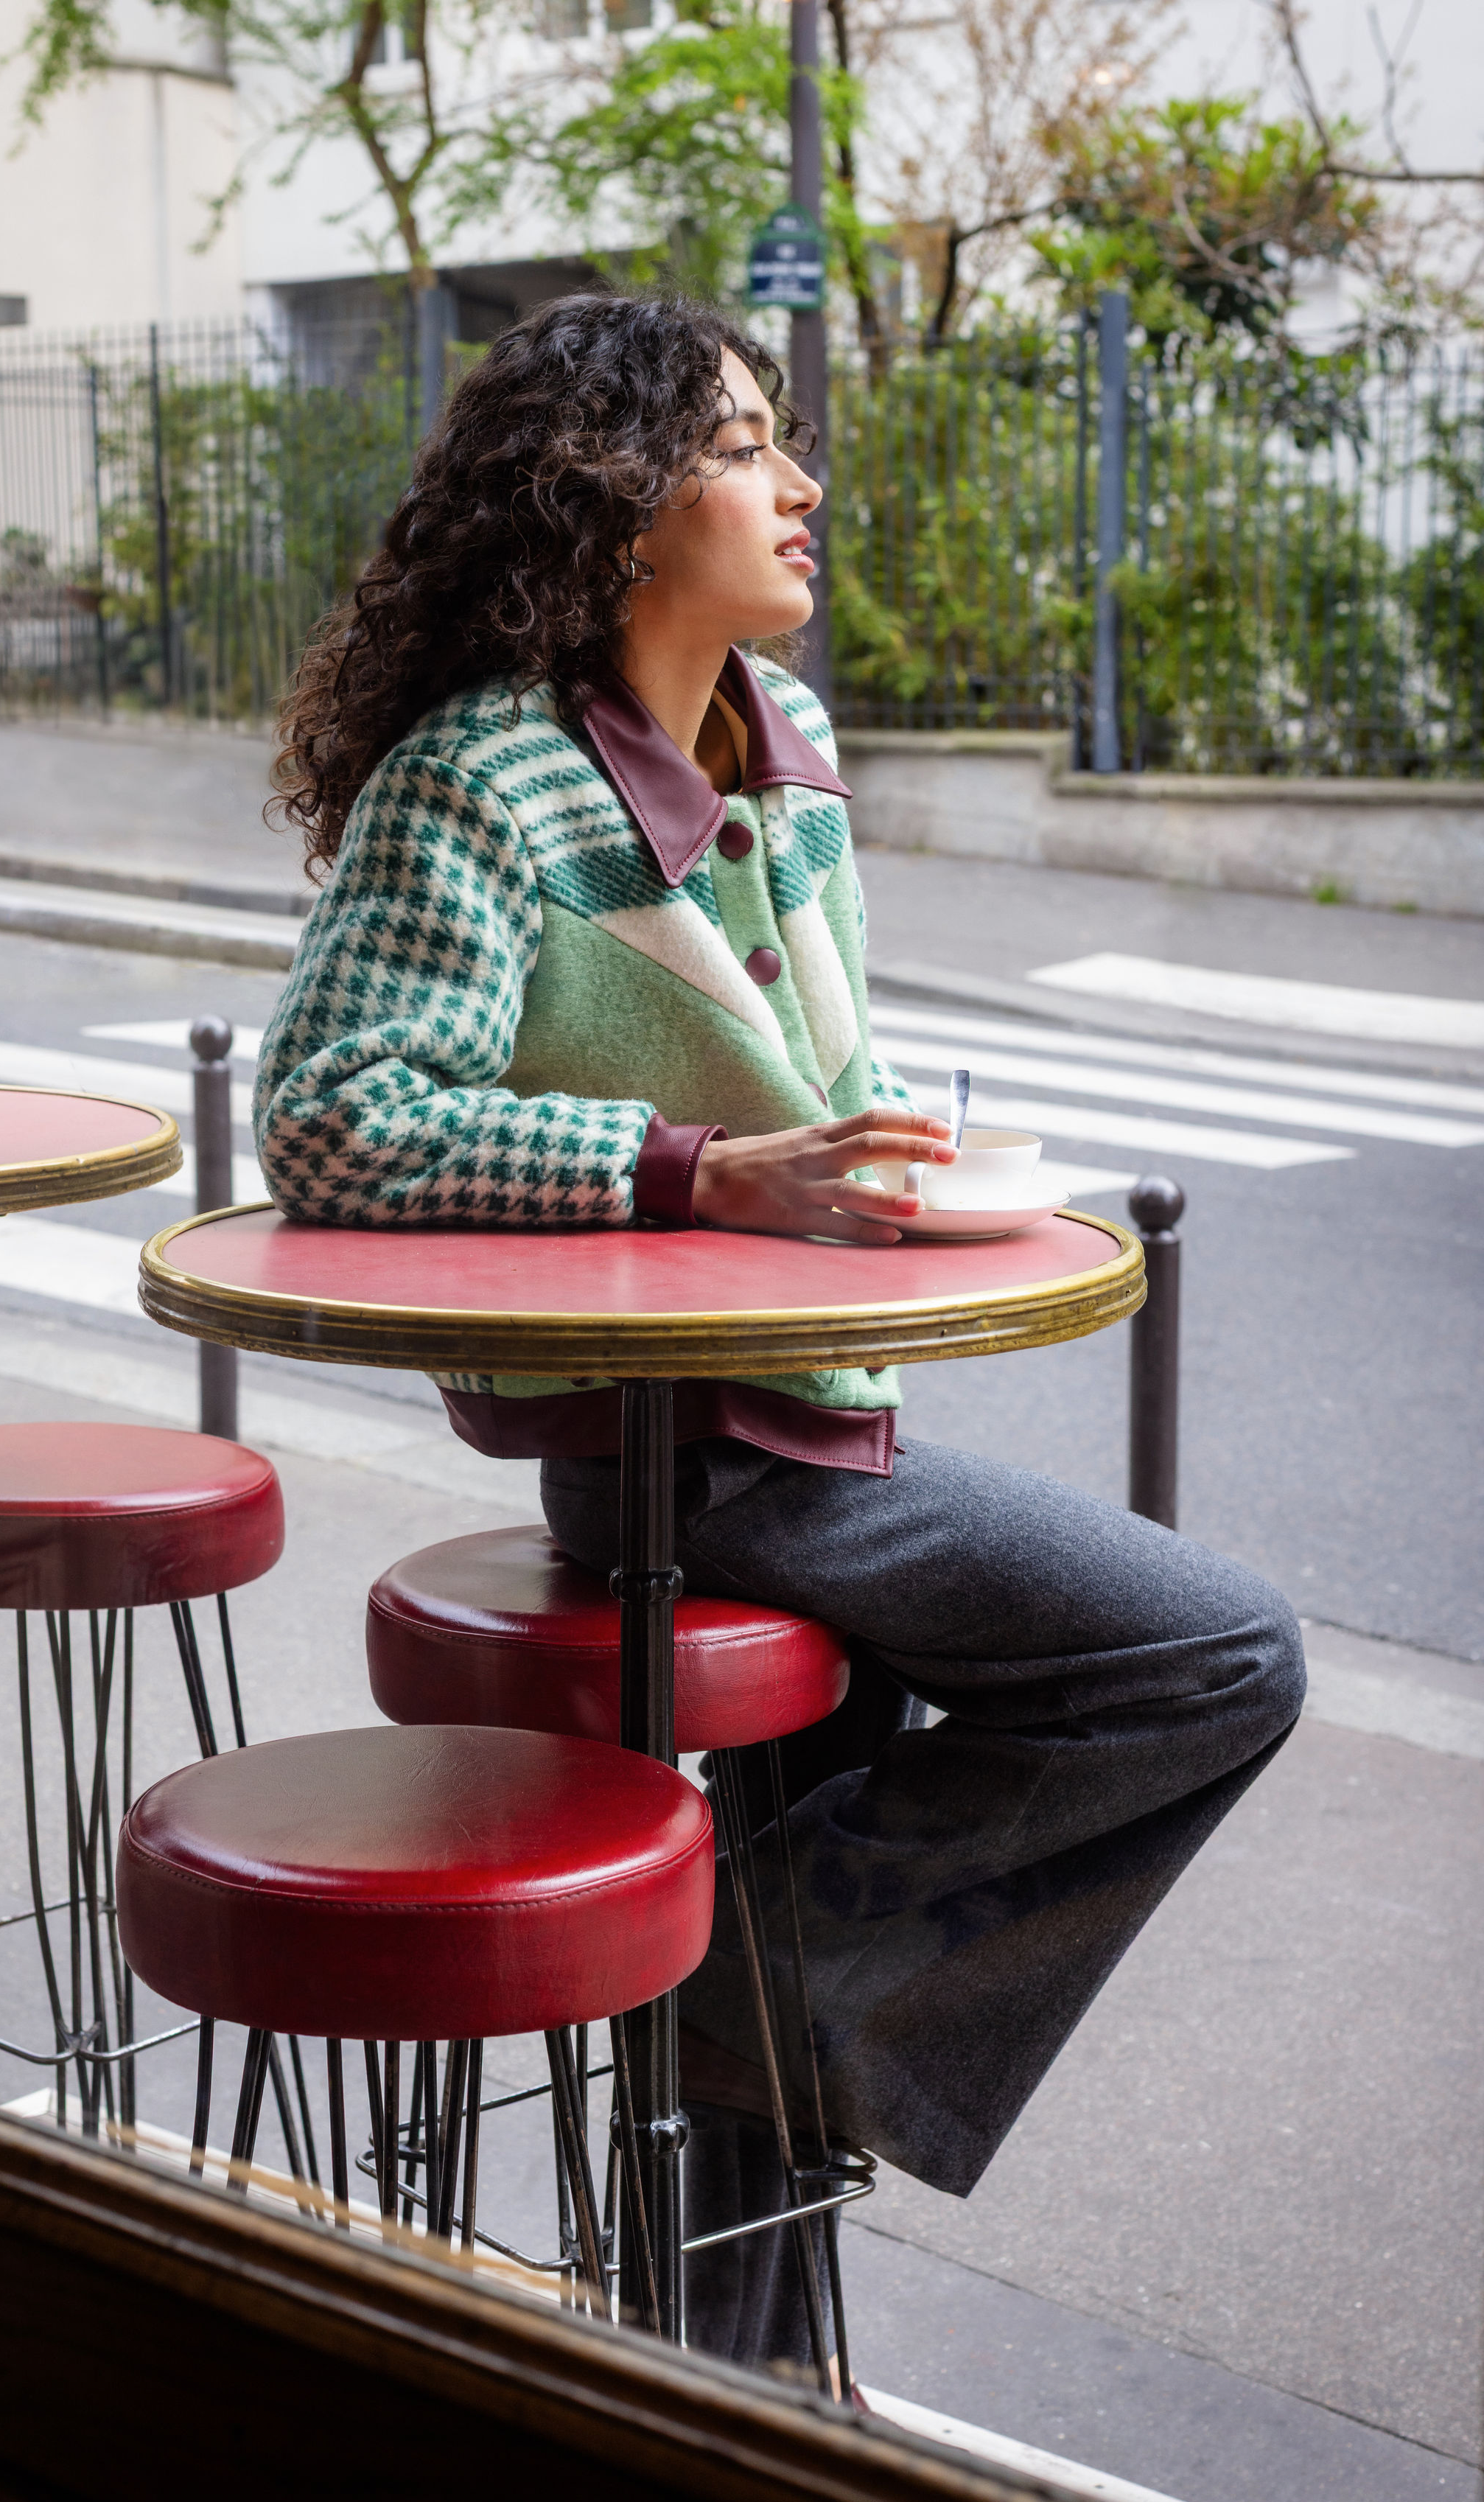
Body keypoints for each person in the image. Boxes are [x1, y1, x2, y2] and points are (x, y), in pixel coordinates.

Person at [254, 290, 1305, 2374]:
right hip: (680, 1453)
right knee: (1214, 1652)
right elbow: (332, 1112)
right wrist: (697, 1176)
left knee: (810, 1933)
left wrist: (868, 1165)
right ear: (625, 504)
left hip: (821, 1414)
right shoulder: (483, 775)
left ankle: (741, 2375)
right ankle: (731, 1994)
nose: (804, 484)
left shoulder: (785, 752)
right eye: (748, 447)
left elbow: (806, 1083)